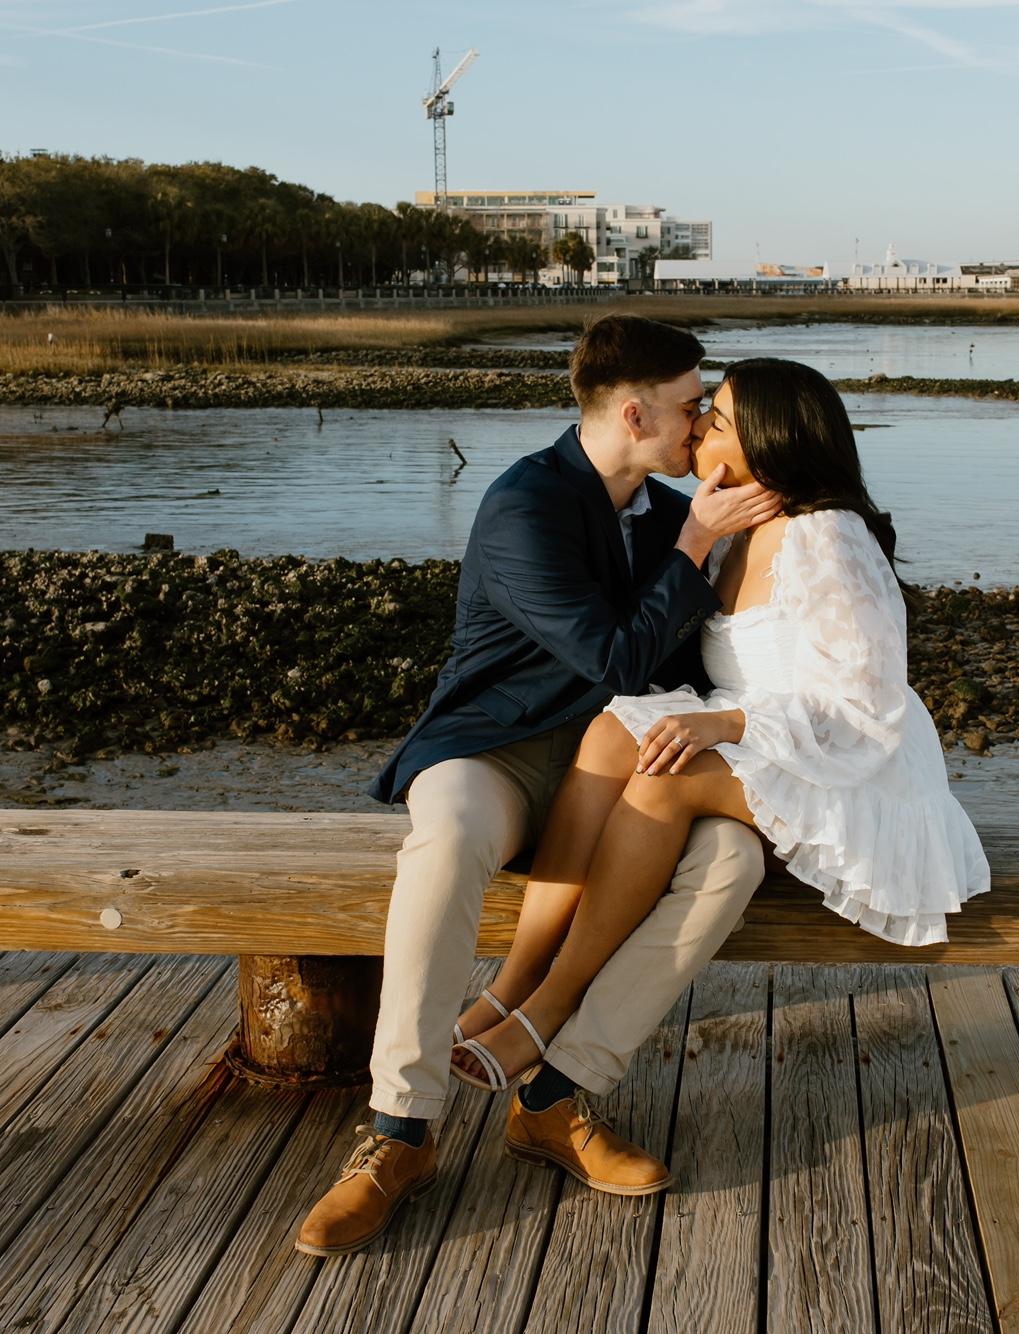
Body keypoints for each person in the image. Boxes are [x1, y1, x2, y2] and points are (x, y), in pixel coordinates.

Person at [295, 315, 781, 1258]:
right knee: (447, 835)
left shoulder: (672, 511)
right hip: (500, 748)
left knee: (732, 858)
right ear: (635, 413)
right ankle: (400, 1129)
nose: (703, 425)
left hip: (626, 758)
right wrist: (693, 546)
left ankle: (558, 1094)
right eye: (692, 406)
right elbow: (616, 655)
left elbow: (708, 659)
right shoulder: (527, 504)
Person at [449, 357, 992, 1093]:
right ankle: (514, 981)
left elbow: (867, 704)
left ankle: (549, 1008)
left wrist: (726, 725)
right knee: (612, 734)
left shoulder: (828, 537)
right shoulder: (734, 528)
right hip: (759, 741)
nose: (700, 425)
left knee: (665, 779)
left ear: (767, 442)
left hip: (848, 770)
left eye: (720, 418)